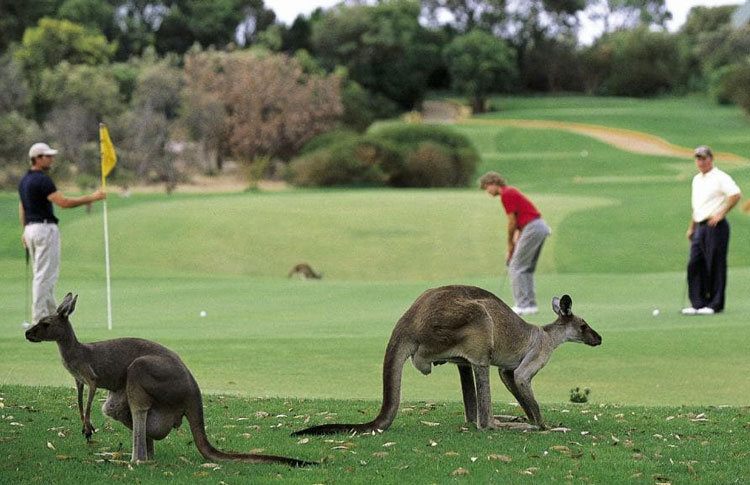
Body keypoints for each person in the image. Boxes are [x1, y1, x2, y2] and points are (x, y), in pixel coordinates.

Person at [19, 142, 106, 323]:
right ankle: (40, 319)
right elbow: (63, 202)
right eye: (47, 156)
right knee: (45, 276)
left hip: (31, 229)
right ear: (37, 158)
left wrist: (25, 230)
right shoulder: (43, 180)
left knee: (44, 275)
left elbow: (23, 207)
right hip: (44, 229)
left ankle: (53, 318)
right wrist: (92, 198)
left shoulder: (24, 180)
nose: (51, 159)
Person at [479, 172, 551, 315]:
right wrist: (516, 239)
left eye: (487, 187)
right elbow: (519, 218)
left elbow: (512, 222)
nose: (487, 191)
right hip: (538, 227)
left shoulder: (506, 194)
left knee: (515, 266)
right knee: (526, 268)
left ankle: (521, 305)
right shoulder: (510, 191)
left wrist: (509, 245)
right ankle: (530, 305)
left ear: (494, 183)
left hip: (532, 227)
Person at [682, 146, 741, 315]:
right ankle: (698, 303)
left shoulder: (720, 177)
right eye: (698, 159)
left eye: (704, 158)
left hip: (716, 227)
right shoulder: (696, 179)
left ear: (711, 159)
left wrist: (721, 213)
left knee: (715, 264)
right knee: (694, 264)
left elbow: (735, 194)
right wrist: (691, 227)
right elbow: (697, 206)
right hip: (700, 226)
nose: (701, 162)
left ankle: (715, 304)